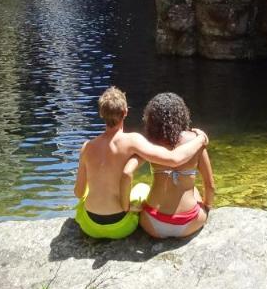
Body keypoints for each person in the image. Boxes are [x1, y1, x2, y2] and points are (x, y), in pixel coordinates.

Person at [73, 86, 208, 240]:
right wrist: (201, 139)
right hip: (121, 227)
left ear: (101, 114)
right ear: (125, 112)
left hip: (90, 226)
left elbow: (78, 193)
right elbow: (174, 159)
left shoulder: (86, 147)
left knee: (90, 188)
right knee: (142, 187)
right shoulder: (133, 141)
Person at [138, 92, 215, 239]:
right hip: (189, 223)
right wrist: (207, 207)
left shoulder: (148, 144)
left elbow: (127, 172)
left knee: (142, 187)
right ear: (182, 115)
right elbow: (210, 185)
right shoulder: (195, 141)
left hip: (153, 223)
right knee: (194, 189)